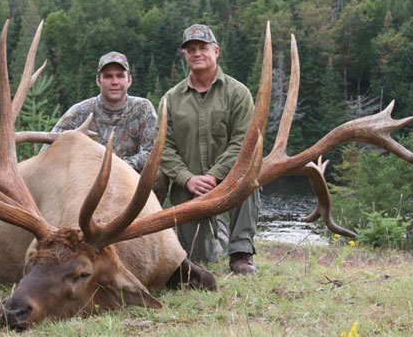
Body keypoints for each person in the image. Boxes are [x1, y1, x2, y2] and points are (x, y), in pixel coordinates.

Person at [159, 24, 260, 275]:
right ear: (184, 55)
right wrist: (188, 179)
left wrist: (215, 175)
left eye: (203, 48)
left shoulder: (238, 93)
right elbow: (163, 148)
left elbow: (243, 142)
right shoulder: (171, 99)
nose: (197, 53)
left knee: (250, 180)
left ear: (216, 51)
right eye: (190, 49)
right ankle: (220, 233)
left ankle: (241, 253)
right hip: (190, 189)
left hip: (230, 181)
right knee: (201, 260)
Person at [47, 51, 167, 201]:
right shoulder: (80, 111)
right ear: (98, 80)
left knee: (158, 175)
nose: (115, 81)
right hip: (88, 182)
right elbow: (48, 150)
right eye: (108, 76)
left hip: (129, 180)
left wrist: (116, 167)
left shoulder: (142, 108)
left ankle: (149, 220)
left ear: (129, 80)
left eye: (120, 76)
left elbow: (150, 152)